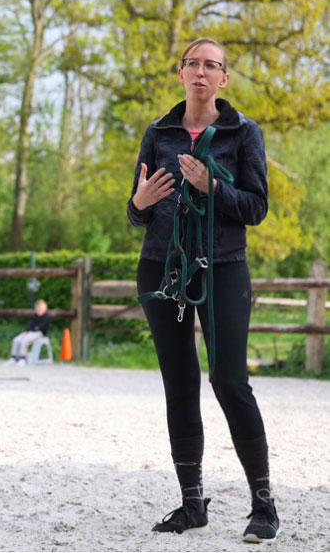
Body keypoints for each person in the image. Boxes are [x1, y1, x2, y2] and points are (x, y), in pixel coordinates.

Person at [128, 38, 277, 542]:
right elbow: (136, 210)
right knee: (180, 382)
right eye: (193, 63)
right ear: (180, 72)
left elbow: (256, 208)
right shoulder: (159, 132)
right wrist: (141, 202)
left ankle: (264, 505)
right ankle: (192, 504)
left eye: (211, 65)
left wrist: (212, 188)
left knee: (230, 381)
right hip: (162, 269)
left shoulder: (242, 133)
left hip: (224, 268)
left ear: (223, 78)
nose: (201, 72)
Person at [7, 299, 49, 364]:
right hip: (29, 332)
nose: (39, 310)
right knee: (16, 340)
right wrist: (27, 331)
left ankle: (22, 358)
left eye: (41, 309)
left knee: (24, 341)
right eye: (38, 308)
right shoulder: (35, 315)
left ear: (45, 309)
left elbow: (42, 327)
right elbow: (30, 324)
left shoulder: (46, 317)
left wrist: (32, 330)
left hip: (39, 333)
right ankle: (13, 358)